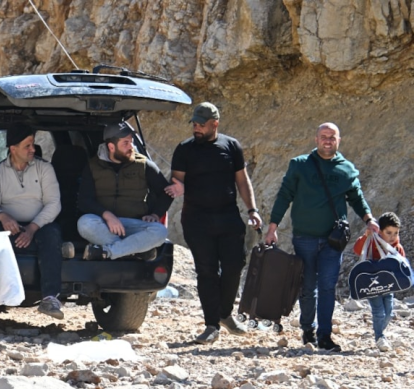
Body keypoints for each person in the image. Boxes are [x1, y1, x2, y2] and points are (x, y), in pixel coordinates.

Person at [264, 122, 378, 352]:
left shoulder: (346, 169)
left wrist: (369, 219)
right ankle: (308, 329)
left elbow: (356, 198)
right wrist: (272, 226)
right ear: (316, 139)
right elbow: (285, 195)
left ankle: (325, 335)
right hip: (304, 237)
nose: (328, 141)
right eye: (324, 136)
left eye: (332, 137)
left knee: (327, 286)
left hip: (333, 240)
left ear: (339, 140)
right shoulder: (300, 165)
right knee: (307, 286)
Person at [168, 102, 262, 344]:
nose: (196, 128)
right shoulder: (184, 149)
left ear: (214, 124)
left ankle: (225, 314)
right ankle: (211, 325)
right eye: (194, 124)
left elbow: (242, 180)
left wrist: (252, 210)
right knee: (207, 271)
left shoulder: (231, 146)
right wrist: (177, 188)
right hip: (196, 220)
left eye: (201, 125)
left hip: (228, 217)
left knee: (234, 265)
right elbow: (176, 181)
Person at [0, 124, 64, 319]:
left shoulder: (45, 169)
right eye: (27, 146)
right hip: (8, 227)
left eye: (33, 145)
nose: (33, 149)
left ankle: (50, 299)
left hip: (39, 225)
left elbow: (54, 204)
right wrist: (2, 217)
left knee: (53, 233)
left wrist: (32, 228)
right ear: (13, 149)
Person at [77, 121, 179, 261]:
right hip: (104, 225)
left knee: (160, 231)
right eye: (125, 143)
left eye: (131, 142)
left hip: (134, 225)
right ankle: (134, 250)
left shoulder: (143, 165)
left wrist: (155, 214)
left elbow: (166, 192)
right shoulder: (93, 166)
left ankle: (108, 252)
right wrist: (107, 215)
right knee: (85, 223)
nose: (131, 146)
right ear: (111, 147)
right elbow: (84, 201)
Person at [353, 212, 404, 352]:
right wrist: (366, 236)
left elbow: (401, 263)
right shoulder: (371, 242)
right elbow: (357, 249)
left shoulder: (396, 247)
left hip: (389, 285)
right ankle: (380, 337)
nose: (392, 237)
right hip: (372, 284)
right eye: (389, 233)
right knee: (379, 312)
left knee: (389, 312)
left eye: (396, 233)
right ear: (380, 231)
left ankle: (379, 331)